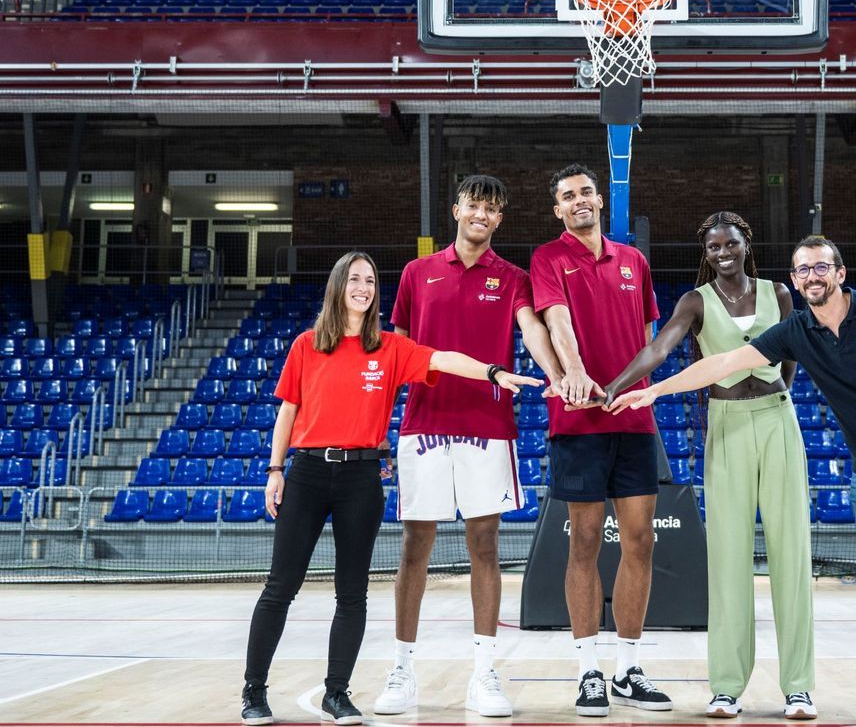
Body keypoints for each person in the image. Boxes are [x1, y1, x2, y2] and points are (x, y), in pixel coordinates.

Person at [609, 236, 856, 727]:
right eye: (802, 270)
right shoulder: (797, 330)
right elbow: (724, 363)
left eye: (820, 267)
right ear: (795, 280)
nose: (812, 276)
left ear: (839, 272)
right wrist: (655, 393)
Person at [239, 251, 541, 727]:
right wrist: (275, 470)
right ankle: (253, 693)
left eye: (371, 281)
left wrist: (492, 372)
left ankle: (337, 693)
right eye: (354, 278)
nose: (363, 287)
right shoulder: (306, 345)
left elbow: (443, 358)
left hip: (361, 478)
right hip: (308, 474)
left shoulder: (390, 349)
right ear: (338, 285)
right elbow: (287, 412)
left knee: (352, 592)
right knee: (280, 587)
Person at [601, 212, 817, 720]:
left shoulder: (778, 294)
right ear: (707, 252)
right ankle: (726, 687)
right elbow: (660, 346)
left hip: (777, 419)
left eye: (731, 244)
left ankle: (799, 687)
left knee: (791, 555)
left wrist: (773, 394)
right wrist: (619, 384)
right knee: (727, 559)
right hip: (727, 424)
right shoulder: (695, 301)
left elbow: (787, 362)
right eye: (714, 246)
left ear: (747, 245)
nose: (723, 252)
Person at [373, 175, 564, 718]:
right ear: (456, 208)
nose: (481, 214)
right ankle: (402, 669)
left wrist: (553, 371)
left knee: (485, 546)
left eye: (492, 209)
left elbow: (530, 329)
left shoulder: (513, 278)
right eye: (474, 204)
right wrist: (380, 428)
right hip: (424, 425)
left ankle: (484, 674)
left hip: (487, 425)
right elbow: (399, 352)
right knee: (415, 548)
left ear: (500, 220)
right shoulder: (417, 272)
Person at [529, 163, 673, 717]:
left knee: (640, 542)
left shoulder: (634, 259)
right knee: (584, 542)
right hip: (579, 420)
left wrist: (637, 389)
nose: (580, 200)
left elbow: (646, 339)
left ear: (599, 200)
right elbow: (557, 323)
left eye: (587, 192)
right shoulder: (549, 258)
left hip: (633, 419)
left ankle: (628, 669)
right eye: (568, 196)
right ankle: (589, 670)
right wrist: (578, 373)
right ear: (558, 209)